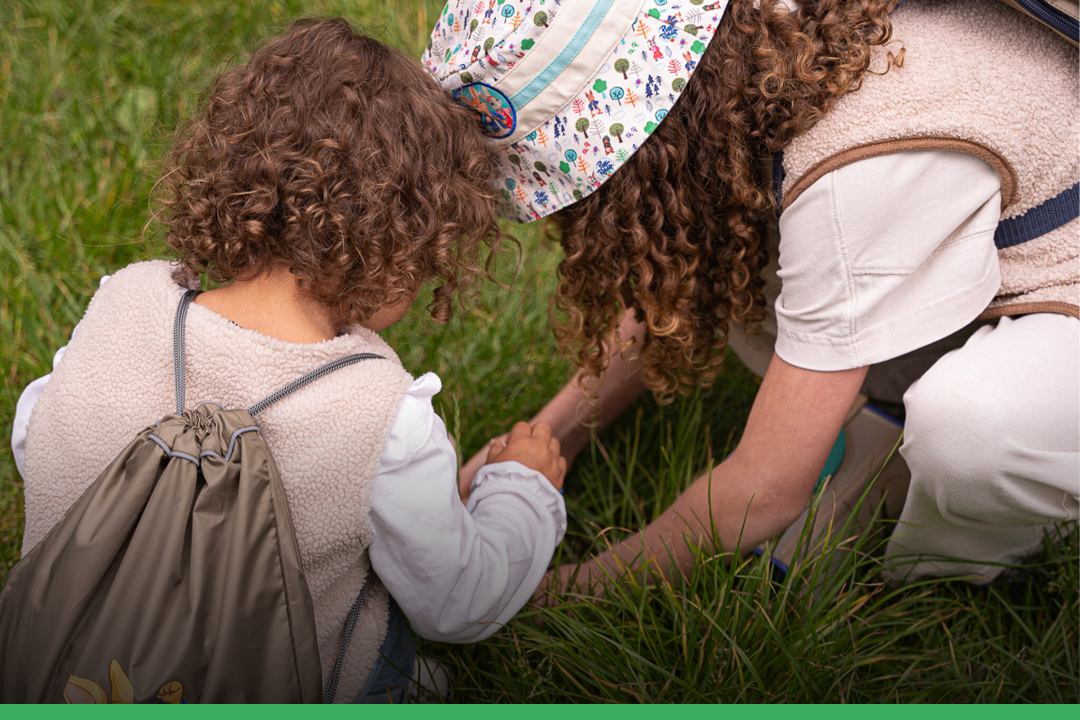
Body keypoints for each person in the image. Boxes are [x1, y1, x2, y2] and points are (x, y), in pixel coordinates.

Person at [424, 0, 1078, 590]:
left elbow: (765, 490)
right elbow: (677, 295)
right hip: (986, 211)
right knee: (719, 251)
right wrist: (548, 436)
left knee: (975, 432)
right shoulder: (740, 54)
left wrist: (552, 594)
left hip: (1061, 274)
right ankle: (873, 403)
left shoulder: (854, 180)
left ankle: (940, 579)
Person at [11, 19, 567, 703]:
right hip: (274, 687)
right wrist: (521, 491)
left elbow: (34, 437)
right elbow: (460, 604)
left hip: (48, 662)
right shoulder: (382, 415)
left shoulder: (123, 300)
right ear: (404, 241)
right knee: (385, 618)